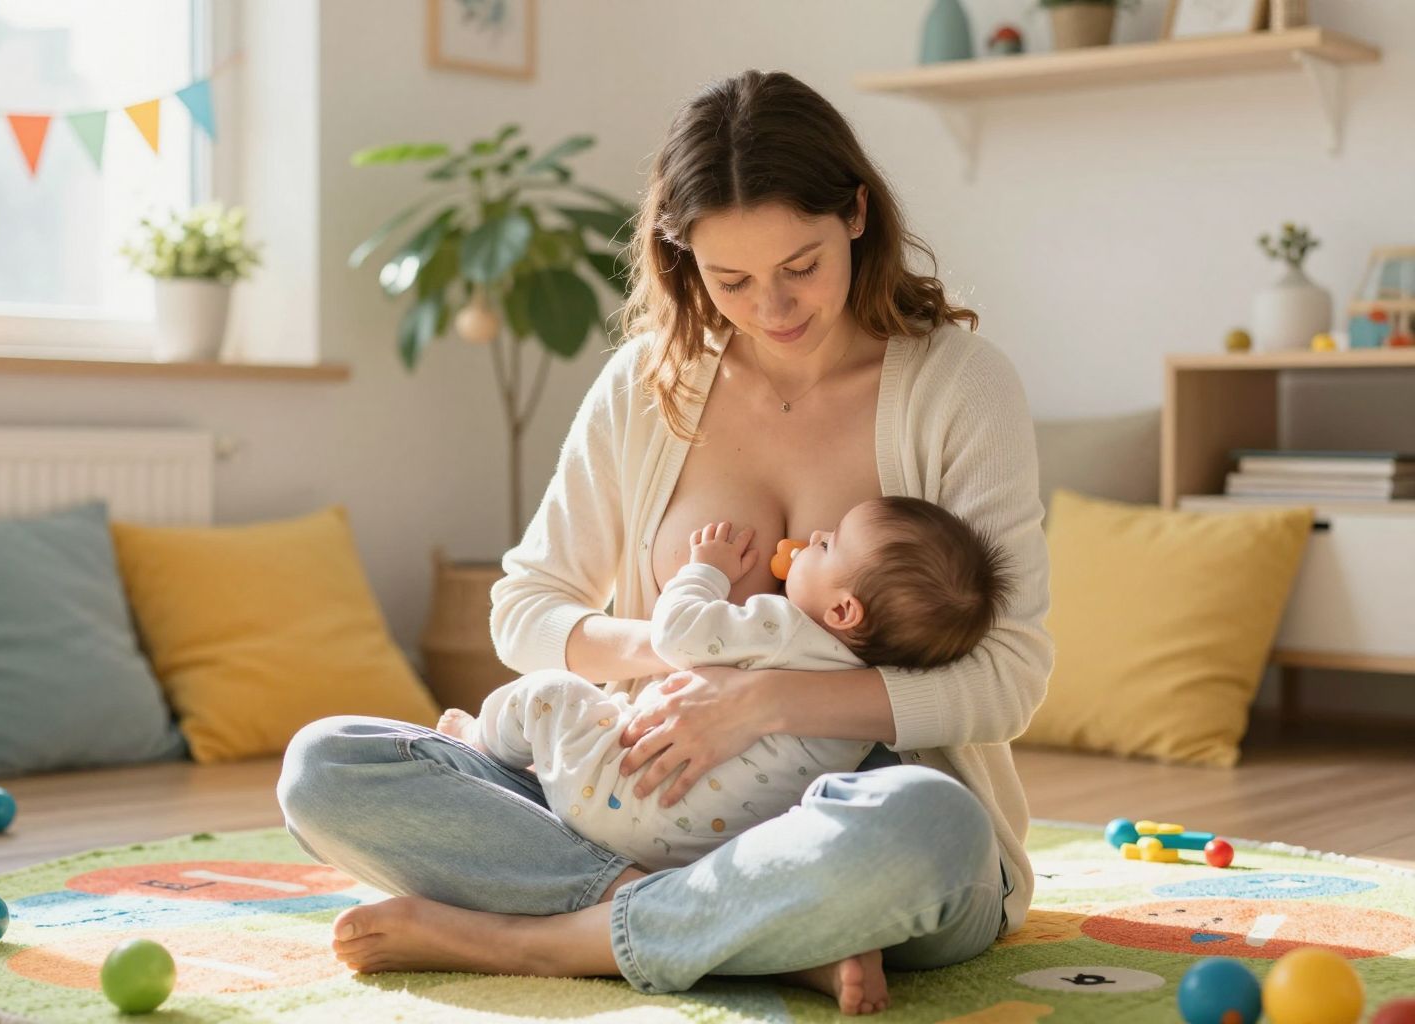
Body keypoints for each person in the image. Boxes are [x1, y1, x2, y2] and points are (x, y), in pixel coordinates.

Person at [277, 67, 1052, 1017]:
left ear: (855, 214)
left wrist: (763, 700)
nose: (773, 308)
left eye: (800, 265)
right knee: (327, 767)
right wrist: (680, 656)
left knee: (927, 830)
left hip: (852, 808)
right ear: (685, 258)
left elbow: (1006, 681)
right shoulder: (649, 385)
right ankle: (738, 931)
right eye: (731, 280)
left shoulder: (961, 388)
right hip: (638, 787)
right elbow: (526, 610)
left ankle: (552, 941)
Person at [436, 498, 1012, 872]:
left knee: (550, 693)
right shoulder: (860, 711)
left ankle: (484, 744)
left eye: (829, 543)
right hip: (693, 853)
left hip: (621, 792)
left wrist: (706, 569)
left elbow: (677, 633)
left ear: (842, 611)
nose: (813, 535)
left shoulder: (782, 628)